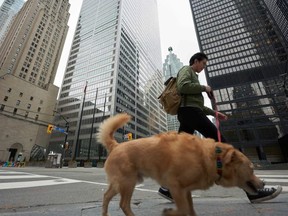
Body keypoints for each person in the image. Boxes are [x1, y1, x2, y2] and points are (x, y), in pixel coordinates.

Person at [158, 52, 282, 203]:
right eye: (203, 64)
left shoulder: (192, 77)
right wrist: (205, 87)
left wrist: (215, 113)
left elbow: (197, 105)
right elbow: (183, 87)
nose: (204, 67)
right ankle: (253, 190)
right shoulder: (187, 70)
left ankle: (168, 188)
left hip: (188, 115)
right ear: (196, 61)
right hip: (191, 114)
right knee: (224, 148)